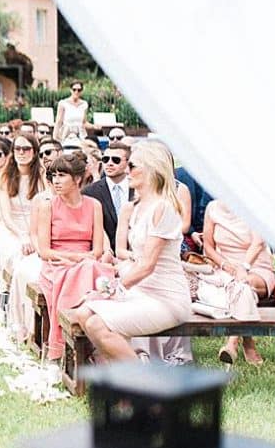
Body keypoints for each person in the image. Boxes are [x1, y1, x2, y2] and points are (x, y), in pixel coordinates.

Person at [65, 141, 192, 363]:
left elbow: (147, 265)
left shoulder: (163, 208)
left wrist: (114, 290)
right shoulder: (136, 207)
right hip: (142, 291)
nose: (126, 170)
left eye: (132, 165)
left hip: (166, 297)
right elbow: (126, 253)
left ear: (151, 169)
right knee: (83, 313)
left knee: (96, 323)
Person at [36, 152, 112, 361]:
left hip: (87, 260)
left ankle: (96, 341)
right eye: (54, 175)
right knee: (87, 270)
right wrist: (74, 259)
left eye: (62, 175)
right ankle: (70, 344)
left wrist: (83, 259)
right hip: (57, 263)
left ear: (77, 179)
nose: (56, 181)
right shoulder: (48, 205)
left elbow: (97, 249)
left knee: (95, 271)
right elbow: (44, 251)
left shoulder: (94, 205)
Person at [204, 199, 275, 366]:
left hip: (256, 267)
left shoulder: (254, 205)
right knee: (237, 287)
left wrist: (243, 267)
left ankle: (232, 342)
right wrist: (227, 266)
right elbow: (209, 247)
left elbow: (258, 243)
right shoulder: (213, 207)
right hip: (226, 269)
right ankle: (248, 342)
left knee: (243, 285)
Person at [0, 132, 44, 295]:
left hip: (36, 226)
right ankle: (11, 297)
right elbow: (6, 216)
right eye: (17, 149)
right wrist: (22, 236)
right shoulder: (5, 177)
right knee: (16, 253)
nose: (21, 152)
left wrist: (33, 235)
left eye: (26, 149)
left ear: (34, 152)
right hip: (12, 229)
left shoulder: (42, 176)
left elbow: (46, 208)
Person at [82, 140, 133, 252]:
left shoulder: (138, 188)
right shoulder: (89, 192)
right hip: (103, 254)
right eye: (105, 159)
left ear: (128, 163)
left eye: (116, 160)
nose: (109, 163)